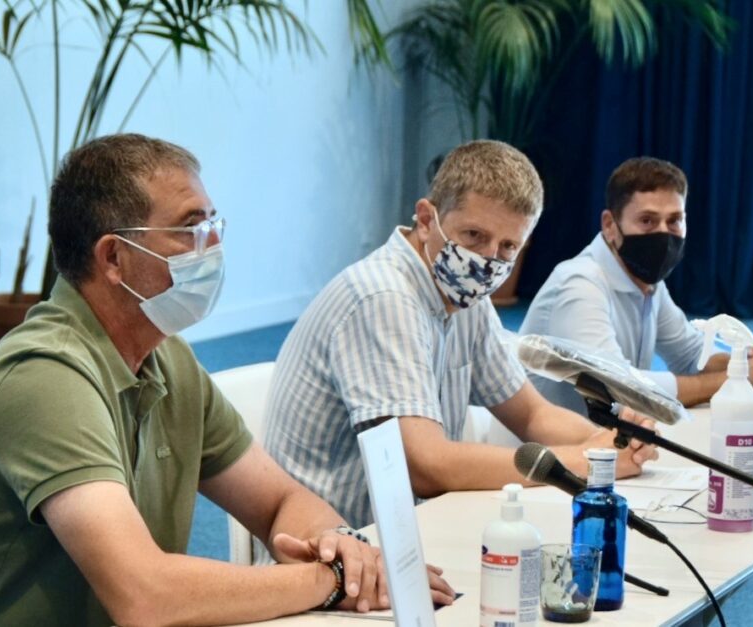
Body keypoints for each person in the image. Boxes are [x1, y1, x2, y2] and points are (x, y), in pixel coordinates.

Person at [0, 134, 452, 626]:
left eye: (214, 224)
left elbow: (278, 502)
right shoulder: (43, 377)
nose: (212, 244)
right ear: (114, 257)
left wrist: (338, 546)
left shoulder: (166, 358)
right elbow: (144, 596)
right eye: (190, 228)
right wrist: (326, 582)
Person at [263, 140, 658, 531]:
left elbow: (532, 414)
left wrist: (613, 441)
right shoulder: (383, 298)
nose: (487, 261)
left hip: (407, 532)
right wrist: (588, 460)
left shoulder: (465, 296)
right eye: (473, 235)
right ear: (425, 219)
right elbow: (426, 467)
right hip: (332, 547)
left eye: (508, 246)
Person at [520, 156, 753, 411]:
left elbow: (691, 355)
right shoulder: (579, 284)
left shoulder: (647, 282)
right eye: (647, 220)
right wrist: (731, 381)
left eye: (674, 220)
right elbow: (619, 387)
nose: (663, 234)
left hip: (600, 436)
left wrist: (745, 365)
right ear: (610, 225)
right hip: (541, 441)